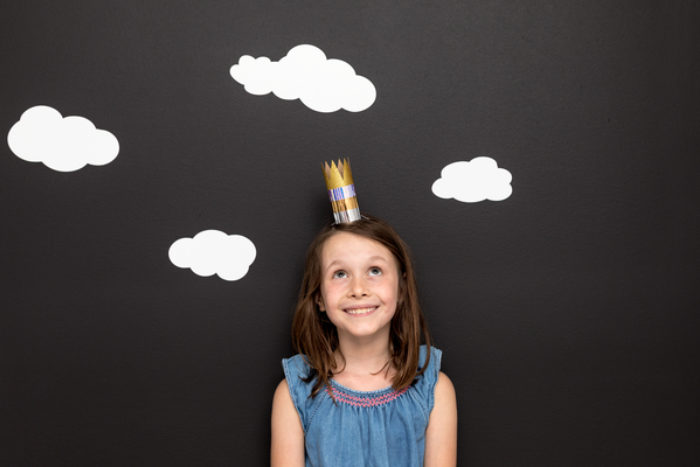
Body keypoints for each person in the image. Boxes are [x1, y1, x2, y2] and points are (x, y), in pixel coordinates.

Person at [271, 215, 457, 466]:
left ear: (401, 289)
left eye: (375, 271)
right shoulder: (295, 394)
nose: (358, 289)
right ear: (319, 297)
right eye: (340, 274)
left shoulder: (433, 389)